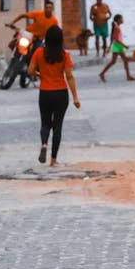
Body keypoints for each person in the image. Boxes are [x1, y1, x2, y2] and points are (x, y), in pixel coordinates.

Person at [27, 25, 80, 167]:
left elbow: (30, 70)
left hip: (45, 92)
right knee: (58, 126)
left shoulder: (39, 52)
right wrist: (75, 97)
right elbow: (69, 76)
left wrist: (39, 75)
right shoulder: (65, 55)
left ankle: (44, 144)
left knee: (45, 123)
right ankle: (53, 159)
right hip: (61, 93)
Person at [99, 14, 135, 83]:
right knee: (125, 60)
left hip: (117, 46)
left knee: (113, 61)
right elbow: (115, 39)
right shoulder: (116, 28)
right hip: (118, 46)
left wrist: (109, 47)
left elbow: (112, 38)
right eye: (122, 18)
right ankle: (128, 76)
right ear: (118, 19)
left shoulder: (116, 27)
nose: (123, 20)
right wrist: (124, 45)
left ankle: (102, 74)